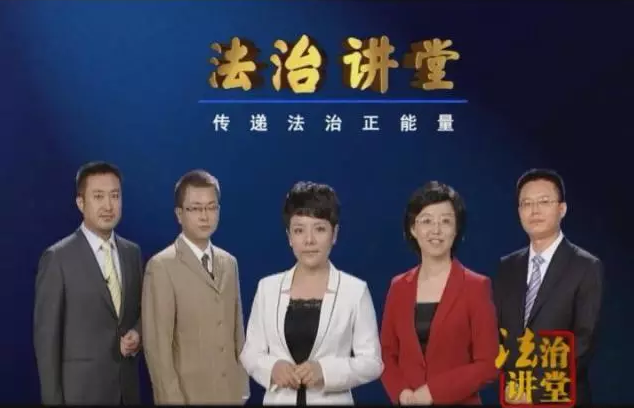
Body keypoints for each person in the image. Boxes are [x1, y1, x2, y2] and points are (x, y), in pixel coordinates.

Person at [240, 181, 383, 405]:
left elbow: (372, 362)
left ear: (334, 234)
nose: (309, 240)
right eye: (299, 230)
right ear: (289, 236)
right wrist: (272, 368)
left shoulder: (355, 291)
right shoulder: (267, 288)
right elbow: (250, 353)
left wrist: (325, 371)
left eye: (319, 229)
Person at [33, 161, 144, 405]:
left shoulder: (132, 253)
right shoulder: (58, 258)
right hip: (81, 394)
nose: (108, 205)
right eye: (98, 196)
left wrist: (137, 333)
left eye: (115, 196)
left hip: (127, 392)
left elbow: (141, 312)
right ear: (80, 203)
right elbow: (46, 342)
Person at [380, 181, 499, 405]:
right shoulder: (398, 287)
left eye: (445, 221)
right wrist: (402, 393)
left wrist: (433, 392)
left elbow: (489, 363)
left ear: (456, 229)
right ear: (413, 229)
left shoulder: (476, 286)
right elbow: (386, 353)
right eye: (426, 221)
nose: (436, 230)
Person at [493, 168, 604, 405]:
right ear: (519, 211)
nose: (534, 210)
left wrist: (534, 391)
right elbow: (497, 334)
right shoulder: (507, 267)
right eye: (526, 203)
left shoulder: (586, 266)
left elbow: (584, 343)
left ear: (562, 209)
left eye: (544, 201)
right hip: (513, 396)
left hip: (560, 396)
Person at [141, 169, 249, 404]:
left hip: (230, 394)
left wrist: (242, 387)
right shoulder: (161, 266)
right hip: (188, 396)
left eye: (211, 207)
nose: (204, 216)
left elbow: (237, 331)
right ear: (179, 214)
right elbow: (157, 348)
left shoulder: (229, 263)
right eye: (195, 209)